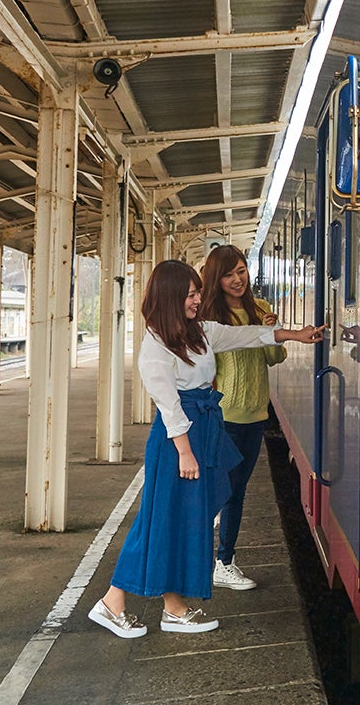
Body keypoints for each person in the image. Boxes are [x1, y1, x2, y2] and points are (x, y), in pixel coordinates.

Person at [88, 260, 322, 638]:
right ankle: (155, 606)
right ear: (171, 298)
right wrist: (185, 452)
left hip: (204, 429)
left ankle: (141, 604)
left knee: (177, 517)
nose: (199, 299)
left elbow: (248, 336)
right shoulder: (154, 348)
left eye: (197, 293)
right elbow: (169, 407)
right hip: (178, 441)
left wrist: (294, 335)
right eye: (192, 294)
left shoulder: (197, 332)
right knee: (166, 519)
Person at [198, 244, 285, 591]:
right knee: (222, 491)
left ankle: (224, 562)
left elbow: (274, 358)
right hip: (225, 415)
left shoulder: (260, 308)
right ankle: (211, 560)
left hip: (255, 414)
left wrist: (271, 331)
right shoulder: (211, 317)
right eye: (229, 274)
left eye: (241, 271)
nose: (238, 279)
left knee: (238, 491)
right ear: (215, 280)